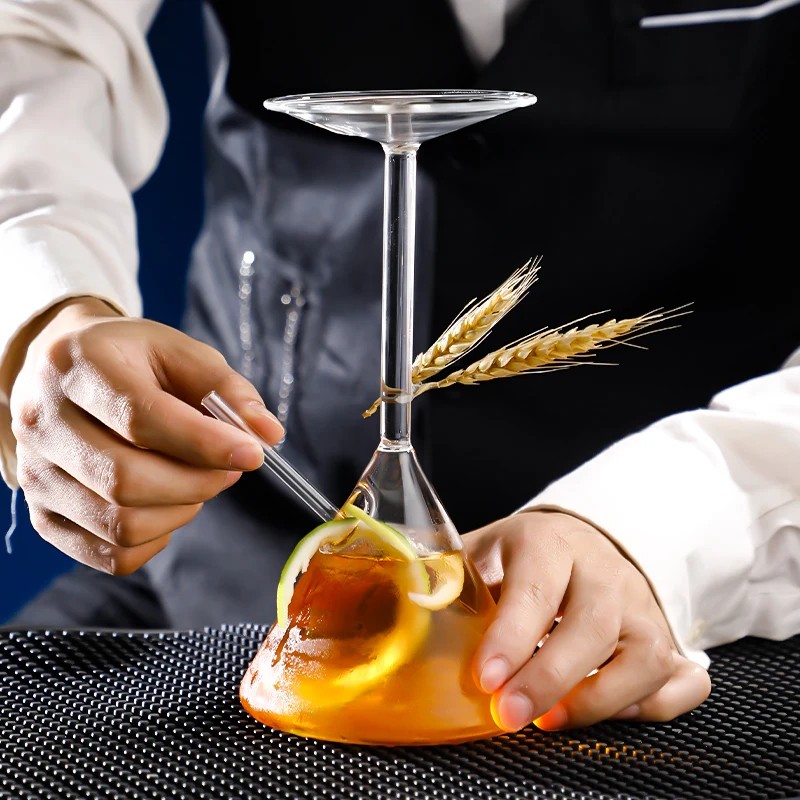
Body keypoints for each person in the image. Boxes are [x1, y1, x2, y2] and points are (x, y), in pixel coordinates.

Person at [1, 0, 798, 735]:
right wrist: (48, 310)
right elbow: (30, 36)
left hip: (681, 612)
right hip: (218, 567)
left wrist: (663, 525)